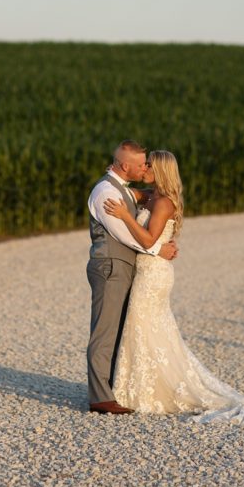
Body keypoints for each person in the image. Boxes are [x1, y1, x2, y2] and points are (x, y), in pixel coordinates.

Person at [103, 150, 244, 424]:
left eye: (148, 166)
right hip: (148, 269)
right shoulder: (151, 196)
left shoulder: (164, 203)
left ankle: (147, 391)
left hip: (153, 274)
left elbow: (147, 241)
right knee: (145, 330)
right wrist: (115, 178)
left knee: (145, 327)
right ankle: (137, 388)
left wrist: (125, 216)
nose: (144, 168)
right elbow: (127, 192)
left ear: (160, 170)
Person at [85, 140, 178, 414]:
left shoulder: (121, 189)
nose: (144, 167)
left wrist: (155, 192)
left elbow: (144, 194)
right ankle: (100, 397)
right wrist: (158, 248)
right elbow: (123, 234)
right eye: (140, 164)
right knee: (105, 331)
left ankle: (114, 387)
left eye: (148, 164)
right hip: (110, 266)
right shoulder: (105, 192)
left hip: (126, 267)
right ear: (125, 166)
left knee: (120, 329)